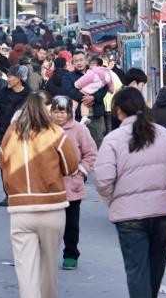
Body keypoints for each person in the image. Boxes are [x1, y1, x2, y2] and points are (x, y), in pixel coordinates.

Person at [93, 87, 166, 298]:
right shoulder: (164, 134)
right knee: (155, 268)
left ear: (118, 111)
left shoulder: (113, 139)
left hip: (129, 216)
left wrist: (113, 199)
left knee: (137, 270)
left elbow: (103, 179)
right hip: (162, 212)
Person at [0, 92, 79, 298]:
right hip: (52, 207)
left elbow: (2, 163)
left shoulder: (11, 133)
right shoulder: (55, 133)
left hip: (20, 208)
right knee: (48, 267)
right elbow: (71, 167)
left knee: (25, 271)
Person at [50, 96, 97, 271]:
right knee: (49, 224)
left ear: (69, 112)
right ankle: (47, 254)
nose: (59, 115)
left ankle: (70, 254)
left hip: (72, 185)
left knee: (71, 224)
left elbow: (91, 153)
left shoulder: (79, 130)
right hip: (49, 186)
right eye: (55, 111)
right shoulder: (45, 129)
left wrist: (82, 171)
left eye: (62, 111)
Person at [0, 65, 31, 201]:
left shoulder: (29, 96)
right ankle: (9, 194)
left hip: (22, 137)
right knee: (5, 167)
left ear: (20, 78)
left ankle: (20, 193)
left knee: (19, 167)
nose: (7, 79)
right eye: (7, 75)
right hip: (3, 136)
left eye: (11, 76)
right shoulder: (3, 93)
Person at [63, 51, 108, 147]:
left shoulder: (96, 72)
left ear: (86, 60)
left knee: (98, 142)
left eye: (81, 60)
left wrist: (93, 97)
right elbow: (69, 91)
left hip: (95, 115)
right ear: (73, 63)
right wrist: (85, 98)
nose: (79, 63)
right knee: (78, 145)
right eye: (76, 61)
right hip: (78, 117)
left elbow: (104, 87)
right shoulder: (68, 76)